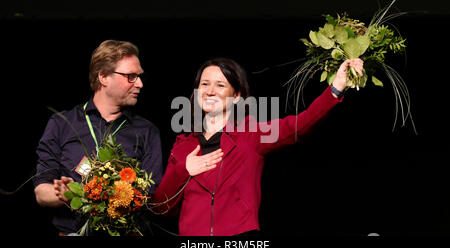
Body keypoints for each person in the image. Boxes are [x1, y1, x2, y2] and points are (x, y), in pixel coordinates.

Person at [153, 57, 363, 236]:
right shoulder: (183, 146)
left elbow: (302, 123)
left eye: (220, 85)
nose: (210, 91)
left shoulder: (251, 134)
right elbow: (161, 208)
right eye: (204, 84)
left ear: (236, 97)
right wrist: (184, 170)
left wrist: (335, 88)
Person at [33, 40, 163, 235]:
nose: (140, 83)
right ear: (103, 77)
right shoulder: (61, 124)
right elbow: (41, 192)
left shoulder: (147, 131)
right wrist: (66, 194)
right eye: (131, 76)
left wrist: (115, 195)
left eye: (139, 76)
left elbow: (152, 197)